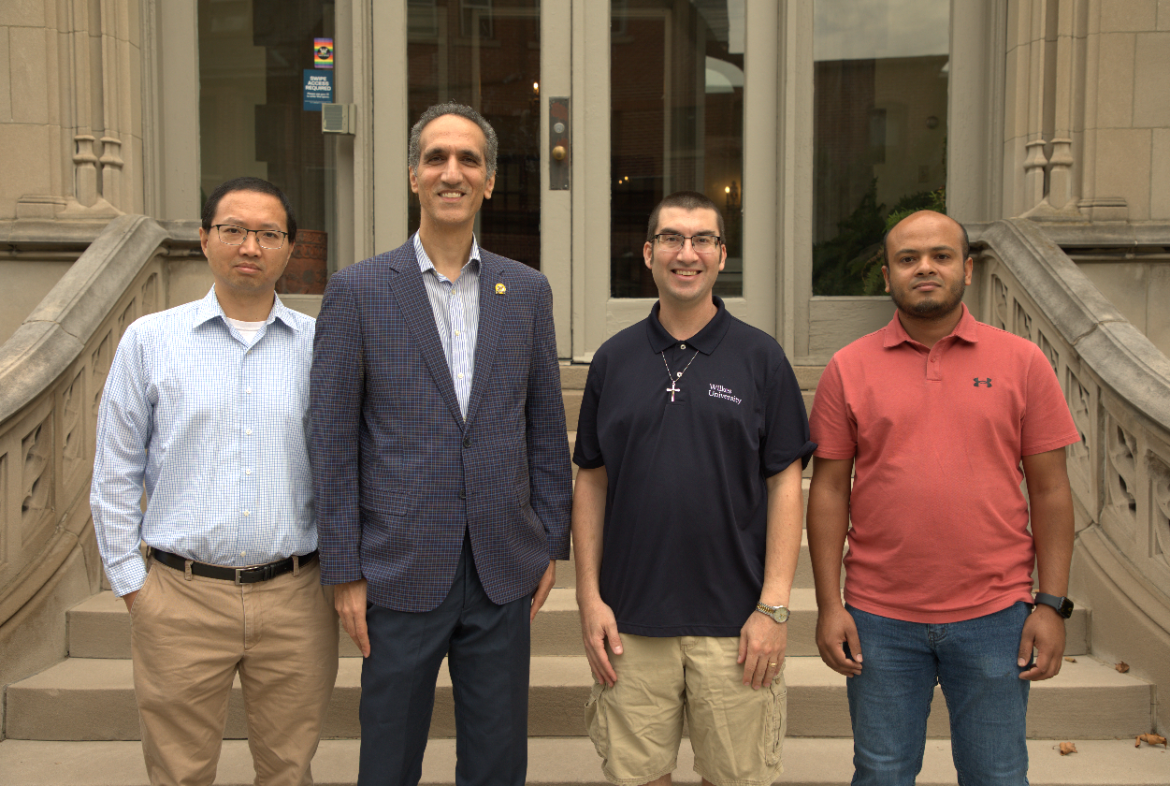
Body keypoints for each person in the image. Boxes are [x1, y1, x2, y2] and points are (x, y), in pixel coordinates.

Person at [309, 102, 573, 786]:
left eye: (468, 160)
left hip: (502, 567)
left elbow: (544, 425)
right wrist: (342, 567)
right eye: (436, 158)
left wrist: (549, 540)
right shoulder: (359, 290)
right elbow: (332, 440)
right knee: (389, 760)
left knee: (496, 760)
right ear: (412, 176)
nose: (451, 172)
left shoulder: (529, 292)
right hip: (397, 570)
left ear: (488, 182)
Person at [806, 210, 1080, 785]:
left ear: (968, 269)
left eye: (940, 255)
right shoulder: (848, 368)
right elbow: (829, 490)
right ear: (887, 277)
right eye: (908, 259)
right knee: (880, 773)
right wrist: (831, 606)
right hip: (878, 616)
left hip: (995, 614)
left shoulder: (1023, 362)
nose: (924, 268)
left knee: (998, 774)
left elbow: (1051, 490)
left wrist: (1051, 604)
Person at [90, 176, 338, 786]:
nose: (249, 246)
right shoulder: (150, 341)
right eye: (233, 230)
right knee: (178, 773)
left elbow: (348, 463)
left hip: (297, 598)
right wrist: (132, 584)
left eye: (267, 233)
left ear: (289, 247)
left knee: (289, 770)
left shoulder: (322, 346)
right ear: (205, 240)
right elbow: (114, 471)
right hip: (179, 596)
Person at [572, 191, 815, 786]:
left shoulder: (761, 358)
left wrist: (775, 607)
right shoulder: (613, 359)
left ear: (722, 255)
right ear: (649, 253)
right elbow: (591, 483)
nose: (688, 253)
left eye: (703, 239)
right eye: (673, 239)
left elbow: (786, 483)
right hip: (630, 624)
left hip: (736, 627)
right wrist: (588, 599)